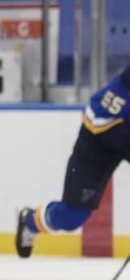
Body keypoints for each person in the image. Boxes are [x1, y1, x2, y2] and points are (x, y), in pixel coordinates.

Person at [16, 67, 130, 258]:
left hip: (120, 135)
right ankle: (29, 220)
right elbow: (96, 120)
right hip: (97, 142)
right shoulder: (124, 86)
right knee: (72, 217)